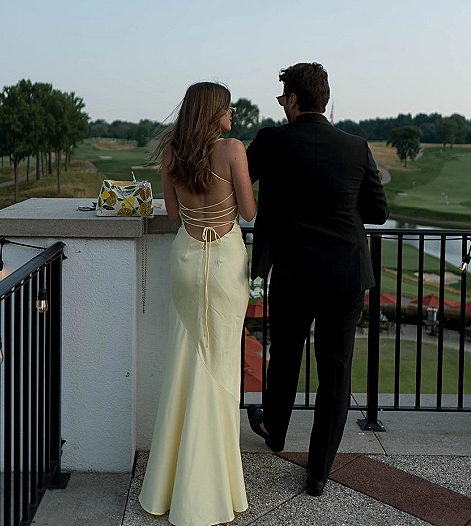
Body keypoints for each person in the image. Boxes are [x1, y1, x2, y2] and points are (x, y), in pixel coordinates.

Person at [245, 62, 388, 497]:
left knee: (286, 357)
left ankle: (274, 429)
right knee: (336, 372)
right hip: (347, 274)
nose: (281, 106)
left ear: (293, 99)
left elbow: (235, 183)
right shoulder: (356, 146)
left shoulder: (272, 141)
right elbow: (378, 211)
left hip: (294, 272)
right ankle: (319, 472)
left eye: (282, 99)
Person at [139, 82, 258, 526]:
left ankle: (169, 485)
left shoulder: (172, 154)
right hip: (225, 264)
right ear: (212, 112)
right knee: (221, 365)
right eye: (228, 108)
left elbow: (172, 214)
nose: (232, 114)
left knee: (183, 362)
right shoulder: (232, 150)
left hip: (186, 260)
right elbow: (249, 212)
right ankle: (216, 484)